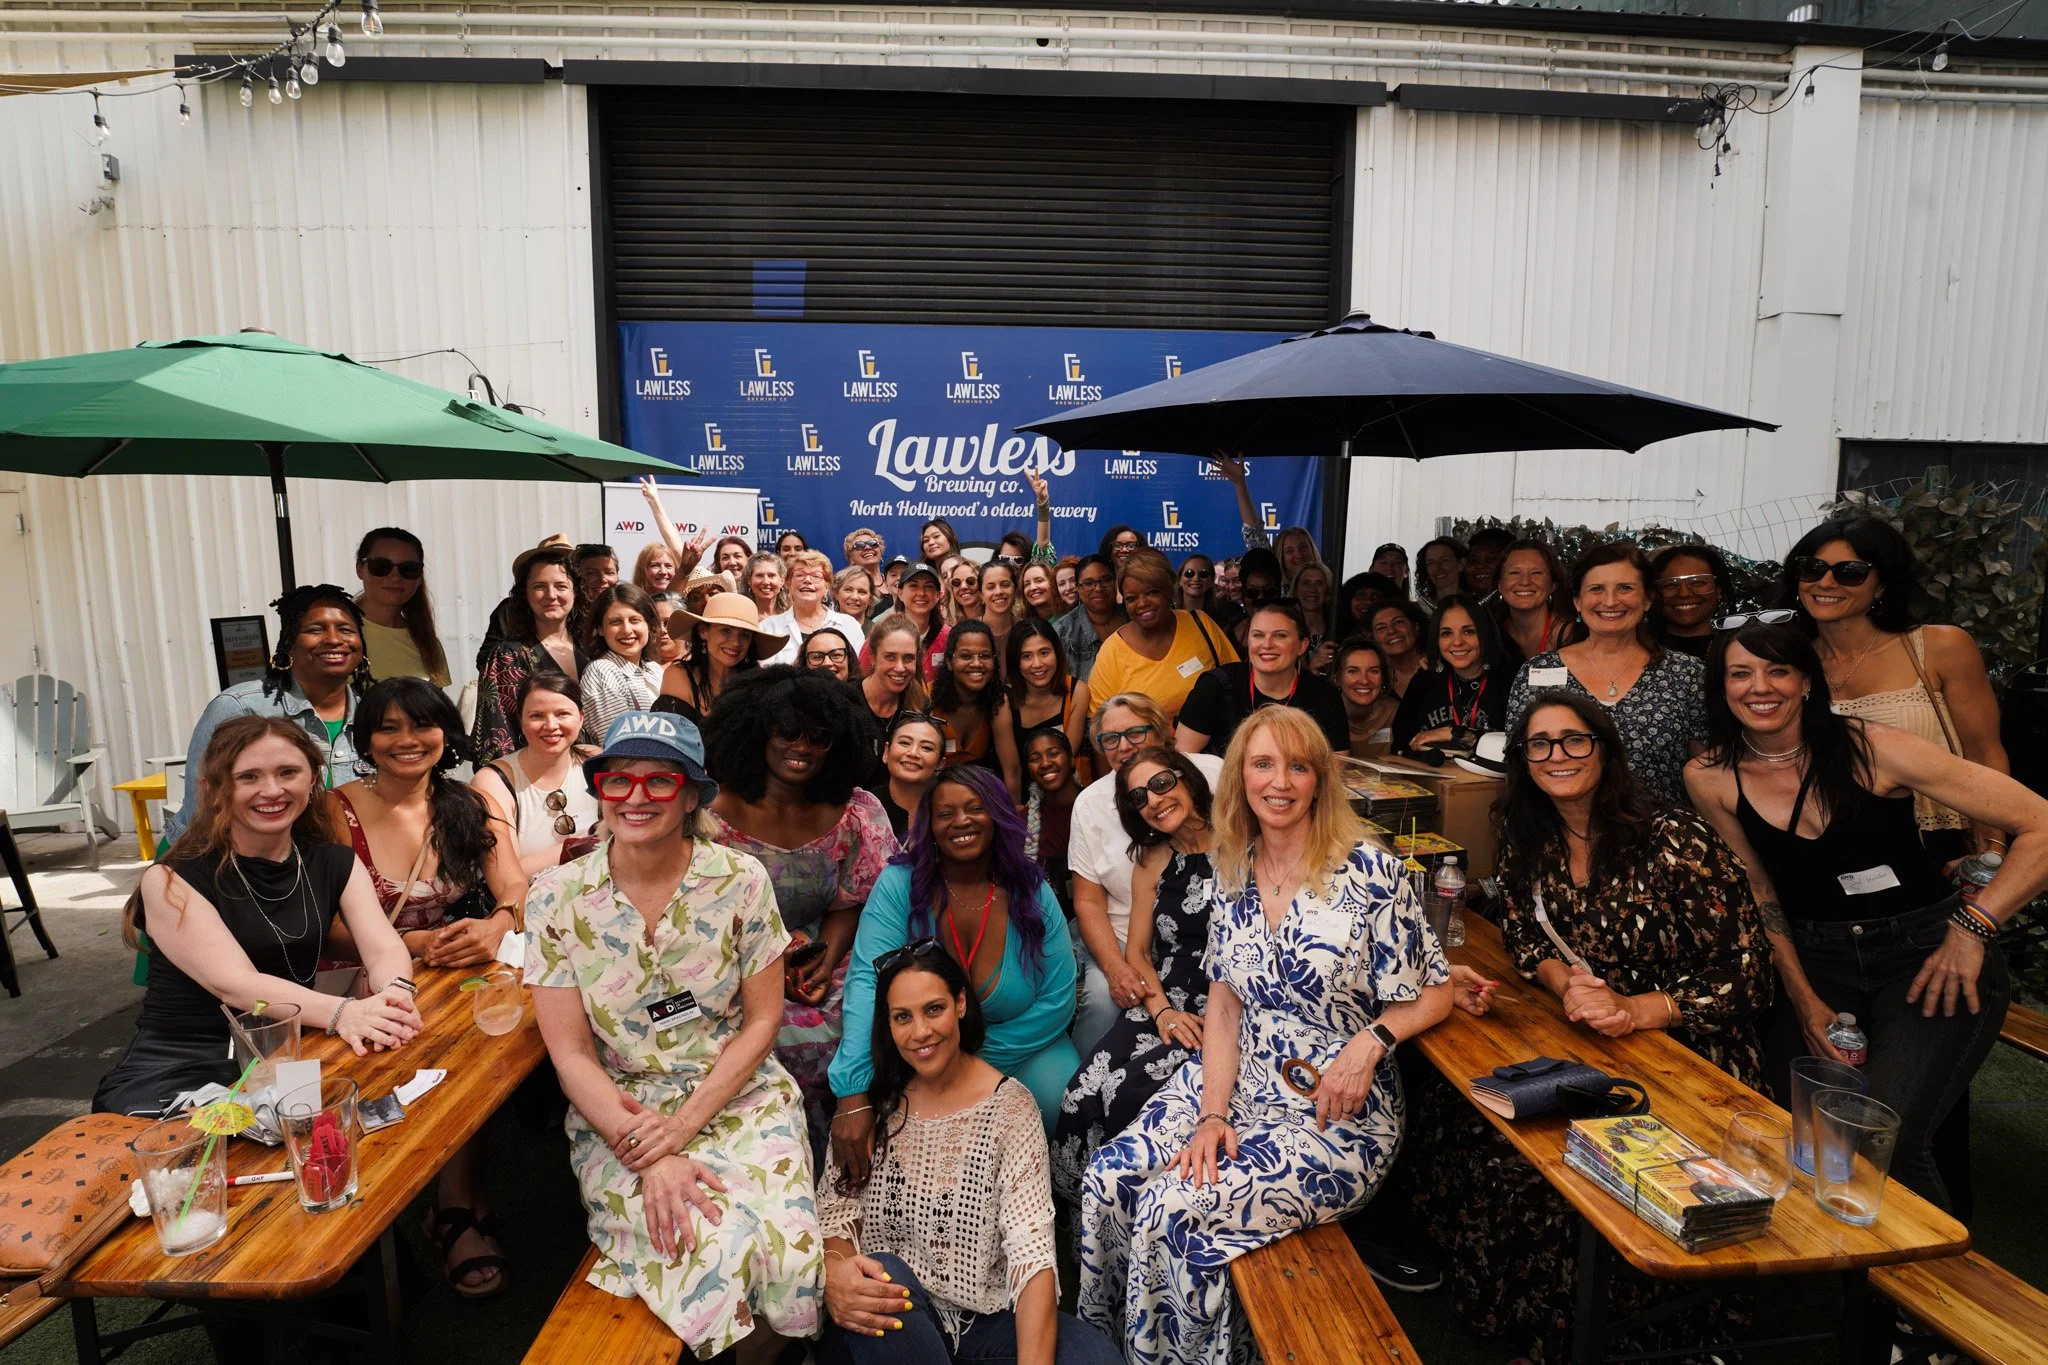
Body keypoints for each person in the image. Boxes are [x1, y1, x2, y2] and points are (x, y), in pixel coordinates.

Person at [1078, 709, 1452, 1365]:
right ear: (1239, 778)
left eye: (1297, 766)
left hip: (1334, 1112)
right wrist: (1212, 1113)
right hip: (1239, 1077)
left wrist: (1370, 1042)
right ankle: (1106, 1350)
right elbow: (1224, 1004)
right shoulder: (1232, 866)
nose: (1279, 782)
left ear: (1319, 780)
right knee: (1108, 1178)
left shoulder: (1371, 871)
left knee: (1173, 1209)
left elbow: (1436, 990)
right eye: (1262, 764)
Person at [1411, 692, 1772, 1362]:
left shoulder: (1676, 839)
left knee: (1557, 1185)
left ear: (1605, 749)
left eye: (1574, 739)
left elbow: (1748, 977)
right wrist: (1565, 982)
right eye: (1540, 744)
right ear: (1523, 760)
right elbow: (1524, 933)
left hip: (1687, 1055)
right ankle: (1500, 1310)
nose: (1558, 755)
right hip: (1584, 1041)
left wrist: (1636, 1009)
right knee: (1466, 1120)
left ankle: (1613, 1337)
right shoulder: (1527, 832)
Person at [1686, 620, 2048, 1211]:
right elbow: (1759, 889)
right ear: (1721, 688)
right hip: (1817, 958)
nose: (1760, 687)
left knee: (1882, 1137)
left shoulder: (1875, 747)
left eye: (1778, 670)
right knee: (1793, 1127)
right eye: (1740, 673)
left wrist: (1972, 928)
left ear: (1807, 681)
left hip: (1928, 957)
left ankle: (1931, 1271)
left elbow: (2041, 825)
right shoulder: (1710, 777)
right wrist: (1802, 999)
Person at [526, 710, 822, 1360]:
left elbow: (763, 1020)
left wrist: (683, 1127)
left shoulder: (740, 880)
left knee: (791, 1252)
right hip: (621, 1110)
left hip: (737, 1093)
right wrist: (653, 1152)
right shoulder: (555, 896)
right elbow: (570, 1053)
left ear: (691, 797)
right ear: (599, 789)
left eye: (660, 780)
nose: (636, 796)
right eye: (619, 779)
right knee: (707, 1246)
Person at [96, 716, 421, 1117]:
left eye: (288, 772)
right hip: (184, 1068)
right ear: (213, 788)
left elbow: (383, 946)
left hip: (284, 1056)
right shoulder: (171, 880)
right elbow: (236, 985)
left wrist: (396, 995)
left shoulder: (333, 861)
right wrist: (346, 1013)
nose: (272, 790)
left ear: (313, 779)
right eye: (248, 777)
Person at [818, 944, 1122, 1365]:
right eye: (902, 1017)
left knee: (1094, 1356)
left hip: (981, 1319)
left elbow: (1032, 1252)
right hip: (889, 1322)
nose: (920, 1032)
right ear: (887, 1024)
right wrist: (837, 1271)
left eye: (934, 1009)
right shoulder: (869, 1104)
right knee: (882, 1277)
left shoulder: (1011, 1110)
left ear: (960, 1003)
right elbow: (837, 1214)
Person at [325, 678, 528, 1294]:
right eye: (387, 727)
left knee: (485, 1052)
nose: (407, 740)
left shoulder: (470, 802)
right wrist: (412, 944)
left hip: (456, 974)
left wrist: (496, 926)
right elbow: (323, 927)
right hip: (360, 985)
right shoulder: (334, 810)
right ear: (365, 740)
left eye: (422, 725)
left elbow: (515, 886)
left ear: (447, 733)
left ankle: (455, 1205)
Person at [829, 765, 1080, 1152]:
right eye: (945, 813)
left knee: (1068, 1104)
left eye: (976, 808)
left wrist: (967, 1060)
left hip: (1027, 1046)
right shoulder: (899, 886)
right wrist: (853, 1090)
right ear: (929, 825)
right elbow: (866, 981)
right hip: (921, 1051)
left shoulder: (1030, 889)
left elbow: (1058, 997)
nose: (961, 821)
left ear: (997, 816)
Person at [703, 667, 897, 1143]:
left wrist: (824, 960)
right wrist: (773, 964)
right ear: (757, 732)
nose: (802, 747)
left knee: (868, 1024)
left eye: (819, 737)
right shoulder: (708, 813)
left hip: (825, 949)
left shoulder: (855, 812)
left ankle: (858, 1155)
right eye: (787, 732)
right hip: (732, 959)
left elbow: (854, 899)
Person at [1780, 514, 2009, 864]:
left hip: (1938, 848)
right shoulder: (1787, 664)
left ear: (1882, 585)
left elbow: (1984, 755)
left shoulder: (1940, 647)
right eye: (1812, 569)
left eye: (1850, 572)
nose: (1825, 582)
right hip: (1830, 852)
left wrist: (1991, 850)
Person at [1053, 747, 1216, 1201]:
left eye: (1161, 783)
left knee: (1125, 1093)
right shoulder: (1152, 859)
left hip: (1226, 1004)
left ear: (1187, 778)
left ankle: (1131, 1214)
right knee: (1081, 1092)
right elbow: (1139, 952)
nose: (1154, 800)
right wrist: (1162, 1012)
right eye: (1139, 797)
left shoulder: (1245, 843)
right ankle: (1080, 1211)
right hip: (1167, 997)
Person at [1067, 694, 1225, 1053]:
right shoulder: (1089, 805)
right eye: (1110, 739)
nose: (1123, 746)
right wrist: (1115, 968)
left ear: (1163, 731)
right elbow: (1088, 901)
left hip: (1200, 933)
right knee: (1104, 1000)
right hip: (1126, 936)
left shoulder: (1212, 771)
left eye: (1136, 733)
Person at [1507, 542, 1706, 809]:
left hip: (1658, 830)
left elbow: (1706, 773)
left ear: (1648, 599)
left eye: (1625, 588)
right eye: (1596, 589)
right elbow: (1518, 767)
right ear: (1577, 601)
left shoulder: (1687, 674)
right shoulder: (1536, 671)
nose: (1610, 601)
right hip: (1558, 828)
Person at [168, 585, 372, 841]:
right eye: (315, 629)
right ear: (289, 642)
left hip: (352, 862)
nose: (333, 639)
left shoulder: (374, 714)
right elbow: (199, 815)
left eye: (346, 630)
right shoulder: (238, 707)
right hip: (253, 861)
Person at [1175, 598, 1348, 758]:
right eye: (1258, 635)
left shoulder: (1325, 697)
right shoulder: (1216, 685)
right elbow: (1184, 759)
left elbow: (1336, 767)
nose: (1267, 644)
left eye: (1280, 635)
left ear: (1302, 646)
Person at [1086, 548, 1238, 726]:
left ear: (1168, 590)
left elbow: (1237, 683)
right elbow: (1098, 725)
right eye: (1132, 598)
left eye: (1151, 592)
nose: (1142, 603)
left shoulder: (1201, 625)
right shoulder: (1111, 652)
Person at [472, 673, 601, 877]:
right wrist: (587, 841)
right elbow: (505, 877)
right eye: (537, 716)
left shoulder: (594, 760)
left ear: (581, 717)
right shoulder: (494, 781)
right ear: (521, 721)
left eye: (562, 714)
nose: (551, 726)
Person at [473, 544, 587, 763]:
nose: (551, 595)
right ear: (525, 594)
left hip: (588, 771)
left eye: (561, 586)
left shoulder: (590, 649)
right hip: (532, 773)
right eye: (539, 586)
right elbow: (496, 738)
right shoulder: (508, 655)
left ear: (575, 592)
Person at [1391, 594, 1512, 757]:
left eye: (1468, 631)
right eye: (1446, 633)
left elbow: (1514, 746)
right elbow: (1400, 745)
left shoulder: (1509, 682)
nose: (1457, 642)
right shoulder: (1425, 679)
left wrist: (1452, 733)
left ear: (1486, 634)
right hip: (1430, 772)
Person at [656, 592, 785, 726]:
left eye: (744, 635)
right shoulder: (680, 675)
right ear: (703, 631)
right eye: (726, 630)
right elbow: (669, 734)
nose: (736, 642)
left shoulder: (758, 684)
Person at [931, 621, 1024, 802]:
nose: (976, 663)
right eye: (966, 656)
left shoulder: (997, 700)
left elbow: (1011, 769)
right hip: (933, 795)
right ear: (949, 662)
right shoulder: (928, 700)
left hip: (979, 795)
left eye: (985, 656)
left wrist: (1014, 813)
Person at [354, 527, 451, 685]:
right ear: (359, 569)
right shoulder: (334, 632)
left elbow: (434, 701)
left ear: (420, 577)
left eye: (408, 569)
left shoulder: (428, 645)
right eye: (381, 566)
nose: (395, 577)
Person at [580, 584, 668, 738]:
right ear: (600, 629)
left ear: (649, 624)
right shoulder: (601, 671)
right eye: (615, 622)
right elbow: (616, 741)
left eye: (635, 620)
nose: (627, 630)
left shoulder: (654, 669)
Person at [1008, 618, 1091, 780]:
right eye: (1026, 656)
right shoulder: (1006, 700)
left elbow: (1066, 759)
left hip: (1065, 784)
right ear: (1015, 662)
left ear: (1057, 653)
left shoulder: (1077, 692)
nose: (1037, 664)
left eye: (1044, 653)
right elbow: (1012, 770)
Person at [765, 551, 865, 666]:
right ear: (788, 584)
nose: (807, 580)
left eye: (816, 576)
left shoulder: (849, 625)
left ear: (827, 586)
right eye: (800, 575)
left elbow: (858, 669)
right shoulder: (769, 627)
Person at [1024, 729, 1081, 916]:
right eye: (1035, 759)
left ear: (1071, 759)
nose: (1045, 763)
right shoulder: (1023, 822)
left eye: (1053, 754)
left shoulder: (1095, 806)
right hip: (1049, 919)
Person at [867, 711, 945, 839]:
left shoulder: (947, 810)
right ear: (886, 752)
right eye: (904, 743)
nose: (913, 753)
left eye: (926, 748)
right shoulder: (861, 809)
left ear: (940, 764)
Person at [1496, 538, 1573, 666]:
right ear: (1500, 584)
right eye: (1514, 573)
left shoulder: (1572, 636)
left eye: (1536, 573)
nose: (1525, 581)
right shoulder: (1490, 631)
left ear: (1553, 585)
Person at [1649, 542, 1731, 660]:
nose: (1684, 594)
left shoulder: (1738, 648)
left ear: (1718, 590)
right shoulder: (1637, 648)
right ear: (1654, 594)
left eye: (1697, 582)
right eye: (1671, 585)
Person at [1054, 554, 1123, 682]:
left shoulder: (1133, 619)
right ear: (1078, 588)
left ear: (1115, 582)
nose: (1098, 588)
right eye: (1089, 583)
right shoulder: (1062, 631)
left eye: (1106, 580)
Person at [859, 614, 930, 730]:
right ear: (873, 657)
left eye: (908, 658)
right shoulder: (847, 701)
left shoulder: (921, 704)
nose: (900, 668)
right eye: (890, 657)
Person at [1336, 637, 1399, 757]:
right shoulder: (1324, 713)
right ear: (1337, 677)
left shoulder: (1397, 713)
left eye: (1373, 671)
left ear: (1383, 677)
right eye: (1353, 671)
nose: (1364, 680)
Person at [892, 563, 951, 680]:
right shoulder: (883, 633)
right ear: (900, 593)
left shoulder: (949, 636)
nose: (921, 593)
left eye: (929, 586)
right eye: (913, 586)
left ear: (938, 595)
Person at [1368, 600, 1429, 701]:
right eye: (1381, 628)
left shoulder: (1442, 665)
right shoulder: (1375, 680)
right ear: (1373, 639)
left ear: (1416, 627)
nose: (1391, 631)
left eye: (1398, 622)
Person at [1291, 561, 1338, 673]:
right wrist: (1312, 668)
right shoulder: (1287, 632)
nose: (1312, 589)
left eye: (1319, 583)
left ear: (1327, 591)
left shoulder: (1338, 631)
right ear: (1296, 590)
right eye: (1306, 583)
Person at [1175, 554, 1239, 630]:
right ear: (1180, 580)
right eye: (1189, 573)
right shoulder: (1168, 613)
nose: (1196, 578)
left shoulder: (1227, 614)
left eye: (1203, 574)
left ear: (1211, 581)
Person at [977, 559, 1022, 661]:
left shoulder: (1026, 630)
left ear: (1015, 590)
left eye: (1005, 585)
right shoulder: (967, 633)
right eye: (990, 587)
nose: (998, 592)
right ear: (981, 595)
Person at [1336, 571, 1400, 641]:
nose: (1368, 601)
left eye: (1376, 596)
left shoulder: (1396, 634)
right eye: (1361, 595)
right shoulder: (1333, 634)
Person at [1463, 526, 1514, 598]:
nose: (1480, 566)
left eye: (1491, 559)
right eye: (1473, 561)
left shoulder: (1521, 603)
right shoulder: (1457, 603)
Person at [1417, 536, 1465, 610]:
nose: (1437, 567)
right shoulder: (1418, 609)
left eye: (1444, 560)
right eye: (1431, 563)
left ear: (1460, 564)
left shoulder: (1475, 605)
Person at [633, 542, 684, 610]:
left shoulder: (686, 604)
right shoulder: (633, 606)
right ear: (642, 570)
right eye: (655, 565)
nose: (663, 572)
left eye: (668, 566)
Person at [744, 551, 789, 620]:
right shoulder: (742, 616)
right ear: (749, 581)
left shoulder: (792, 615)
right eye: (759, 576)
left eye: (771, 576)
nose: (766, 582)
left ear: (782, 581)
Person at [942, 554, 983, 626]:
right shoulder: (946, 624)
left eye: (970, 580)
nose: (963, 586)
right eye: (956, 582)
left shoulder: (997, 619)